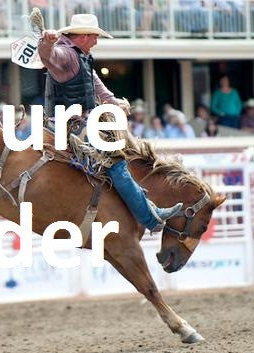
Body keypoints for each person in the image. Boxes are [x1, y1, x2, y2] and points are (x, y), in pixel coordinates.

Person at [38, 14, 182, 232]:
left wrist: (115, 103)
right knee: (116, 164)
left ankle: (146, 208)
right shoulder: (67, 55)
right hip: (68, 125)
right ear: (85, 36)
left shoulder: (81, 57)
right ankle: (151, 219)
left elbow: (97, 87)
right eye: (95, 37)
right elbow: (48, 55)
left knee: (120, 158)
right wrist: (46, 43)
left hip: (76, 121)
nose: (96, 41)